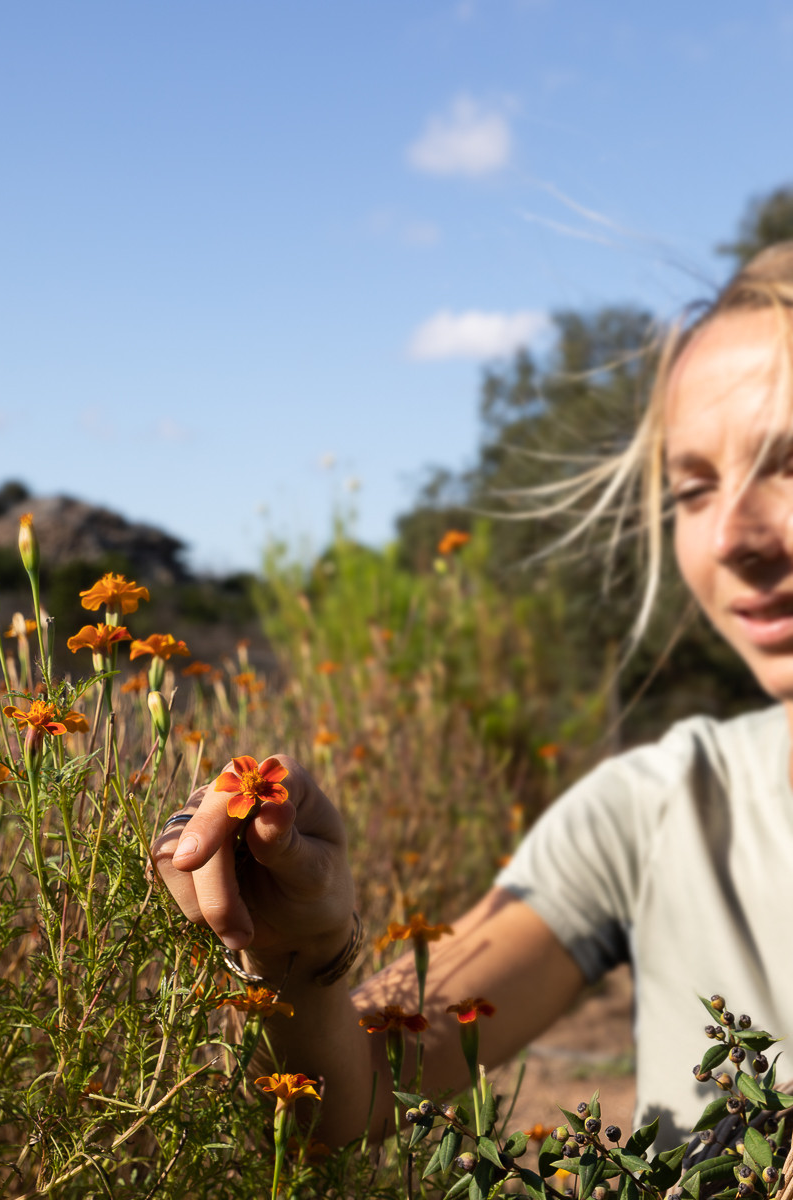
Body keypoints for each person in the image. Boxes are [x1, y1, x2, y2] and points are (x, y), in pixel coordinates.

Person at [153, 242, 793, 1153]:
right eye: (692, 487)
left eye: (790, 463)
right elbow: (353, 1101)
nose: (731, 535)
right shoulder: (654, 813)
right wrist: (299, 958)